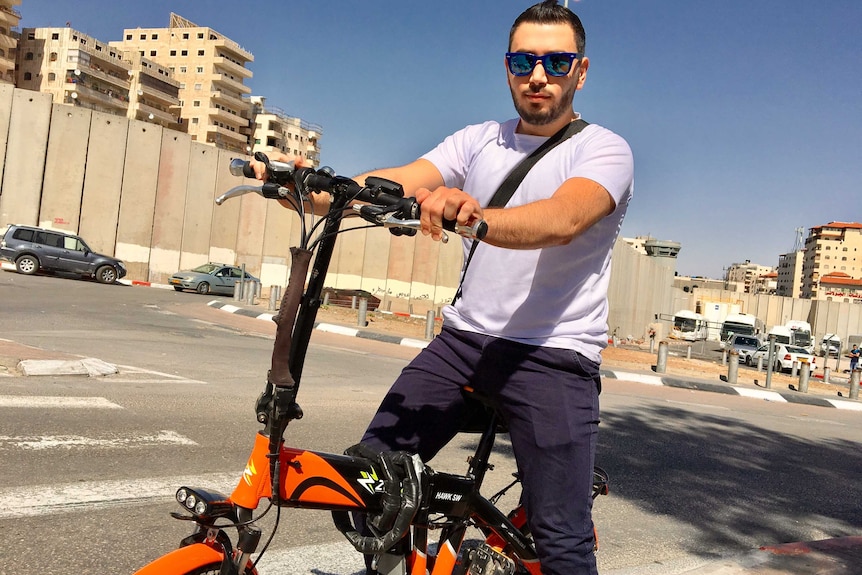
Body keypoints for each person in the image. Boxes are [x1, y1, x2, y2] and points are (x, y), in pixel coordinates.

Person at [251, 2, 633, 573]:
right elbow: (395, 181)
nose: (537, 75)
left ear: (580, 71)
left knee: (562, 537)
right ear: (507, 66)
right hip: (463, 346)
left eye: (556, 61)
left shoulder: (603, 149)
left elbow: (562, 219)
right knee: (371, 481)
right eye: (523, 59)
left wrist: (474, 217)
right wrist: (309, 189)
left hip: (553, 355)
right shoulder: (479, 140)